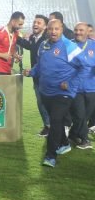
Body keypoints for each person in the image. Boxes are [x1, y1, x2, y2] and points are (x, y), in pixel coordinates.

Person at [23, 19, 87, 168]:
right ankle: (64, 143)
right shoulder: (44, 45)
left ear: (62, 29)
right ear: (47, 30)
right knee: (56, 120)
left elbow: (84, 67)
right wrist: (31, 72)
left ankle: (50, 156)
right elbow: (40, 65)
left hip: (63, 93)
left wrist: (71, 84)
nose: (53, 32)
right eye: (50, 29)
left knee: (55, 121)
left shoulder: (69, 46)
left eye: (56, 29)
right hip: (46, 92)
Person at [16, 15, 50, 136]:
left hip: (47, 77)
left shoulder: (47, 39)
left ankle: (56, 126)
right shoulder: (33, 38)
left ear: (45, 26)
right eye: (34, 22)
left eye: (39, 23)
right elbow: (28, 46)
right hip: (36, 76)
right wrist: (16, 36)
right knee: (41, 102)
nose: (35, 24)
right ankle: (48, 126)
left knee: (48, 102)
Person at [68, 22, 95, 150]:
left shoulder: (93, 45)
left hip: (92, 88)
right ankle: (85, 140)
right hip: (75, 88)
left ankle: (73, 134)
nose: (78, 32)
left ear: (87, 32)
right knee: (79, 115)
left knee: (86, 116)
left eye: (81, 30)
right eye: (76, 30)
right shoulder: (68, 45)